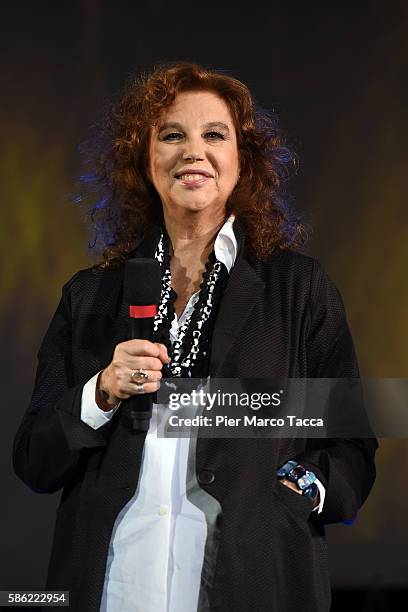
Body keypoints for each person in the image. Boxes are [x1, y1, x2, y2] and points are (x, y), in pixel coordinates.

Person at [13, 61, 378, 612]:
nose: (193, 151)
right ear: (145, 158)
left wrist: (292, 494)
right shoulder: (88, 296)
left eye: (214, 135)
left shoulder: (299, 289)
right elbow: (34, 461)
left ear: (241, 160)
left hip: (249, 583)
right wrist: (101, 392)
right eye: (172, 135)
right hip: (113, 587)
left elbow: (351, 444)